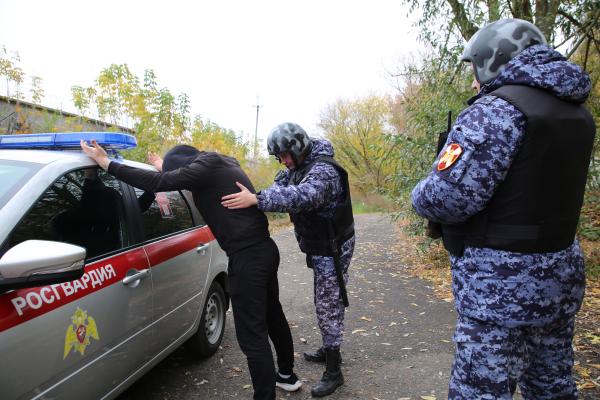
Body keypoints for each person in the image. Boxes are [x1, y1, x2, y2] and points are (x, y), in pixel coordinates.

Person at [411, 18, 595, 399]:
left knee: (480, 392)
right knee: (553, 387)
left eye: (475, 69)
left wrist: (419, 192)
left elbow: (447, 198)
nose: (473, 82)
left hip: (500, 290)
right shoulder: (577, 113)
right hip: (559, 280)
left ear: (494, 59)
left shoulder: (495, 111)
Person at [80, 141, 301, 400]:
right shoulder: (220, 163)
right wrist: (164, 166)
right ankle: (287, 376)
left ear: (187, 167)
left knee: (252, 335)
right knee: (272, 314)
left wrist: (107, 163)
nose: (180, 180)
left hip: (248, 258)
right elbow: (179, 176)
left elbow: (163, 183)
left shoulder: (205, 167)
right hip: (263, 250)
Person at [221, 122, 355, 397]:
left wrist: (257, 199)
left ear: (297, 148)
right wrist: (252, 195)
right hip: (320, 244)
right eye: (278, 157)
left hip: (333, 246)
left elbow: (300, 197)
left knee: (327, 303)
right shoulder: (297, 167)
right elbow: (277, 187)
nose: (282, 161)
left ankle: (334, 370)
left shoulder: (324, 171)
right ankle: (330, 349)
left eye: (283, 155)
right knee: (325, 301)